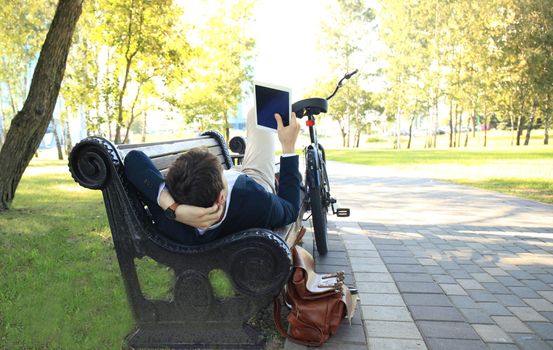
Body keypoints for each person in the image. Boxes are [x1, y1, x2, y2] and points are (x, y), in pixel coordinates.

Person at [124, 109, 302, 245]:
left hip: (230, 188)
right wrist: (288, 146)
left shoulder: (172, 219)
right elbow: (290, 209)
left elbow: (133, 159)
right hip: (254, 180)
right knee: (257, 112)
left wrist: (174, 210)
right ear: (221, 197)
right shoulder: (259, 201)